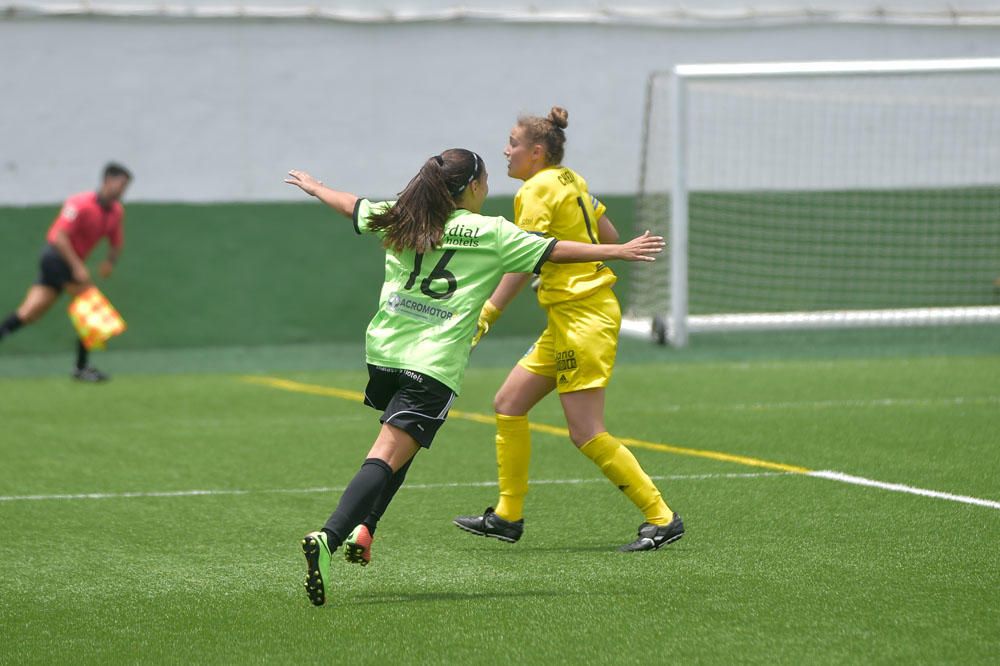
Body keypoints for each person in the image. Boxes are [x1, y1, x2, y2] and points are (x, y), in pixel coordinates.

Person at [284, 148, 664, 606]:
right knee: (386, 452)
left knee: (404, 443)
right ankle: (329, 536)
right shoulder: (490, 232)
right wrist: (617, 251)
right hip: (433, 362)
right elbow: (555, 250)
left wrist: (316, 186)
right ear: (473, 188)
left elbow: (353, 204)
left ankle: (366, 529)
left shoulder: (406, 214)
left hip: (385, 352)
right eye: (484, 180)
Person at [453, 108, 684, 552]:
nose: (506, 150)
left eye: (513, 143)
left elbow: (525, 257)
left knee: (585, 430)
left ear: (536, 152)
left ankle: (661, 517)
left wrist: (489, 313)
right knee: (508, 403)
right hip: (570, 313)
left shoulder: (537, 190)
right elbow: (603, 228)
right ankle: (507, 517)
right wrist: (600, 255)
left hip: (583, 318)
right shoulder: (568, 179)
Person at [0, 162, 132, 381]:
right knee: (90, 306)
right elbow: (60, 236)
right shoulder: (79, 203)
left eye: (126, 186)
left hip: (67, 264)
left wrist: (110, 262)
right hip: (56, 258)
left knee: (29, 313)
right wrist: (77, 266)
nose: (123, 190)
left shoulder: (116, 212)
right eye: (121, 184)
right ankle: (81, 368)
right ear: (107, 181)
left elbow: (116, 243)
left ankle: (81, 367)